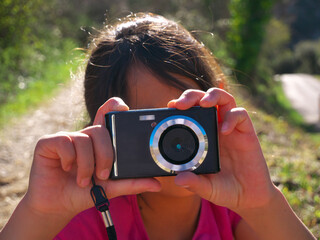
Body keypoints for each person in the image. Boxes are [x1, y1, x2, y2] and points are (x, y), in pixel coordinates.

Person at [0, 12, 316, 240]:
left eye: (185, 121)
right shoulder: (87, 220)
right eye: (148, 125)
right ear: (104, 137)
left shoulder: (238, 209)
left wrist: (264, 204)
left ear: (218, 107)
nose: (175, 144)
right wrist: (39, 217)